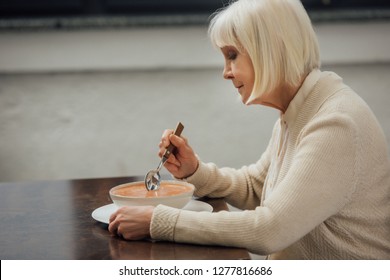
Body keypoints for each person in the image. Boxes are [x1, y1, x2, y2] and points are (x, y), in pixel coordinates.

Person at [108, 0, 390, 259]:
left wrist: (159, 222)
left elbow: (270, 228)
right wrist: (195, 171)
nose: (225, 72)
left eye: (232, 55)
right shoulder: (298, 110)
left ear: (269, 49)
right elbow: (258, 187)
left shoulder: (335, 124)